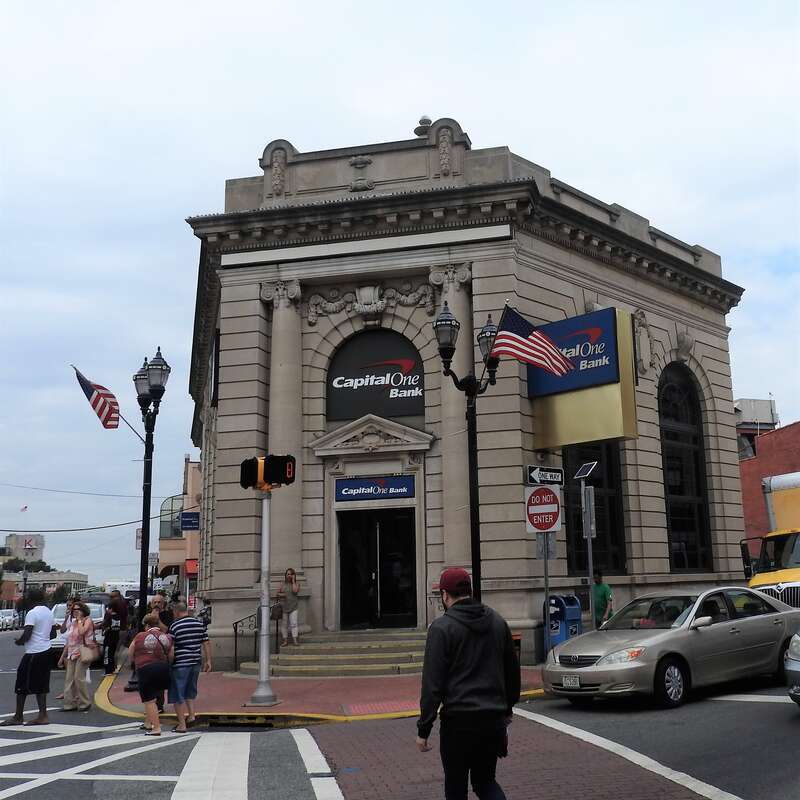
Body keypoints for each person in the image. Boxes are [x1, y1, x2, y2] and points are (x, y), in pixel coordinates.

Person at [417, 568, 520, 800]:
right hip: (492, 718)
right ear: (469, 591)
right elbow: (512, 672)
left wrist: (424, 728)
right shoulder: (497, 621)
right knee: (486, 782)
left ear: (445, 595)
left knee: (455, 787)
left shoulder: (441, 628)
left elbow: (432, 685)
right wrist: (508, 708)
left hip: (458, 721)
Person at [1, 588, 58, 727]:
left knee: (21, 684)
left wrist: (19, 641)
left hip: (34, 653)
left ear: (31, 600)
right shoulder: (48, 612)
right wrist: (42, 637)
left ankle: (18, 716)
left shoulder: (32, 613)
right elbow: (53, 635)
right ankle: (43, 715)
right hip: (46, 651)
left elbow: (27, 634)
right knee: (41, 685)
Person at [167, 602, 212, 733]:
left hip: (180, 663)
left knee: (177, 693)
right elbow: (206, 642)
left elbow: (172, 647)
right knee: (190, 690)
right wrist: (208, 660)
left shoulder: (175, 626)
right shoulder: (199, 624)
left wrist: (170, 662)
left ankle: (182, 725)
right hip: (195, 661)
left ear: (176, 612)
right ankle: (191, 716)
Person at [128, 612, 173, 736]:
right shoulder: (166, 637)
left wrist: (134, 662)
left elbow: (131, 653)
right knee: (156, 696)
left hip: (146, 668)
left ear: (147, 625)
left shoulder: (140, 636)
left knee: (149, 701)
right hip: (163, 668)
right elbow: (171, 655)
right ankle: (148, 722)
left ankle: (156, 728)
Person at [58, 603, 95, 712]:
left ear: (83, 610)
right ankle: (69, 704)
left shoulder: (87, 620)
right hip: (71, 652)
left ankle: (85, 702)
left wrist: (79, 620)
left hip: (83, 652)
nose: (75, 611)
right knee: (69, 679)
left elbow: (82, 632)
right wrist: (62, 657)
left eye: (77, 609)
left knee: (79, 678)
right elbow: (69, 640)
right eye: (73, 609)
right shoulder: (72, 622)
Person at [102, 589, 128, 675]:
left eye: (113, 596)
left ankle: (110, 669)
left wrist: (104, 627)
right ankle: (114, 668)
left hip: (114, 633)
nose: (111, 598)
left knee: (110, 651)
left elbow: (106, 625)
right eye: (110, 597)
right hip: (119, 631)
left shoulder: (114, 611)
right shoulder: (122, 606)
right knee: (115, 650)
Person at [277, 568, 300, 646]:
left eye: (291, 574)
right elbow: (277, 593)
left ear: (293, 575)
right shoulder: (282, 584)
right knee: (284, 624)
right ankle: (285, 641)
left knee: (294, 623)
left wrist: (293, 581)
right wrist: (282, 595)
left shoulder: (297, 584)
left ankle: (295, 640)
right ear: (285, 575)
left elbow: (295, 591)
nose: (289, 576)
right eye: (288, 574)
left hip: (293, 607)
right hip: (284, 607)